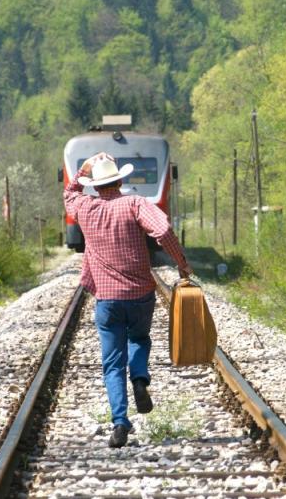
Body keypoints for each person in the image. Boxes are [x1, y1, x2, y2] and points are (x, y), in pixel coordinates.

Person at [64, 152, 192, 448]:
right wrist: (181, 263)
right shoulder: (134, 204)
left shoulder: (85, 206)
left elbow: (69, 192)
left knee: (111, 364)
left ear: (95, 187)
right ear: (121, 180)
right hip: (140, 295)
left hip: (107, 300)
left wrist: (84, 167)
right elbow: (162, 230)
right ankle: (139, 379)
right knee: (139, 339)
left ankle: (120, 423)